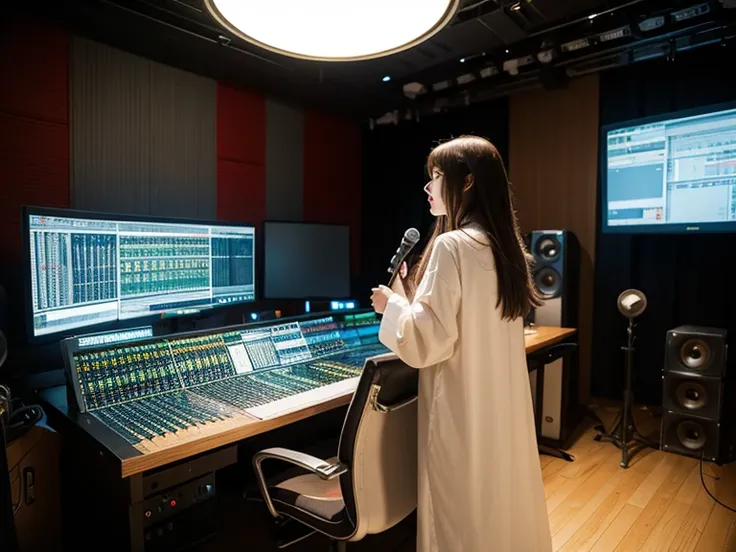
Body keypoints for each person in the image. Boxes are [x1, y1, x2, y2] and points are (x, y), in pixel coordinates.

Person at [370, 135, 552, 552]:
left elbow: (427, 343)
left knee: (458, 517)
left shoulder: (453, 245)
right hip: (496, 410)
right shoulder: (503, 248)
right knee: (497, 509)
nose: (429, 188)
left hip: (460, 411)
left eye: (436, 176)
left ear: (466, 182)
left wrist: (392, 304)